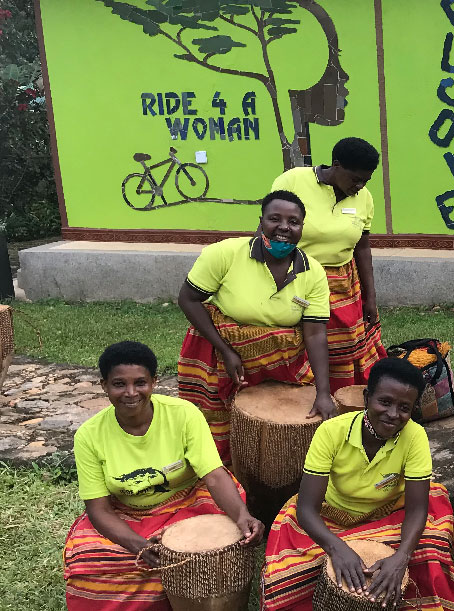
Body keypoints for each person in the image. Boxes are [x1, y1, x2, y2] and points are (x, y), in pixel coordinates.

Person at [63, 341, 264, 610]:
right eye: (119, 384)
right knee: (91, 561)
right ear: (104, 386)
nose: (131, 392)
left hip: (190, 500)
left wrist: (242, 515)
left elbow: (215, 476)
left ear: (154, 382)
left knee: (207, 549)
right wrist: (140, 546)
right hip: (129, 514)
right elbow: (99, 509)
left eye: (140, 382)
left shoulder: (184, 414)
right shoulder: (88, 436)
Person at [261, 358, 454, 611]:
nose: (393, 414)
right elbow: (306, 509)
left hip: (390, 513)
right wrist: (337, 548)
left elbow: (416, 509)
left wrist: (401, 557)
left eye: (404, 407)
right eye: (385, 402)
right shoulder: (331, 431)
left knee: (430, 549)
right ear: (367, 397)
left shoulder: (415, 436)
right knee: (288, 576)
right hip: (331, 516)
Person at [176, 190, 335, 462]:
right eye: (275, 219)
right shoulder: (224, 254)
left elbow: (315, 334)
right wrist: (225, 350)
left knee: (275, 440)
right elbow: (188, 299)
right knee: (214, 428)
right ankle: (218, 472)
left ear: (302, 227)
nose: (284, 227)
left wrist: (323, 392)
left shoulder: (313, 272)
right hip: (221, 355)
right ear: (261, 221)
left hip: (281, 362)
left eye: (293, 222)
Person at [271, 137, 387, 394]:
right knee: (298, 345)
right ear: (336, 165)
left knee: (342, 350)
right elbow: (268, 230)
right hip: (296, 278)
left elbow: (362, 248)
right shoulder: (293, 181)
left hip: (342, 285)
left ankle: (338, 398)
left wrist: (370, 298)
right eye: (355, 179)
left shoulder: (364, 198)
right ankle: (300, 402)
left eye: (366, 181)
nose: (360, 186)